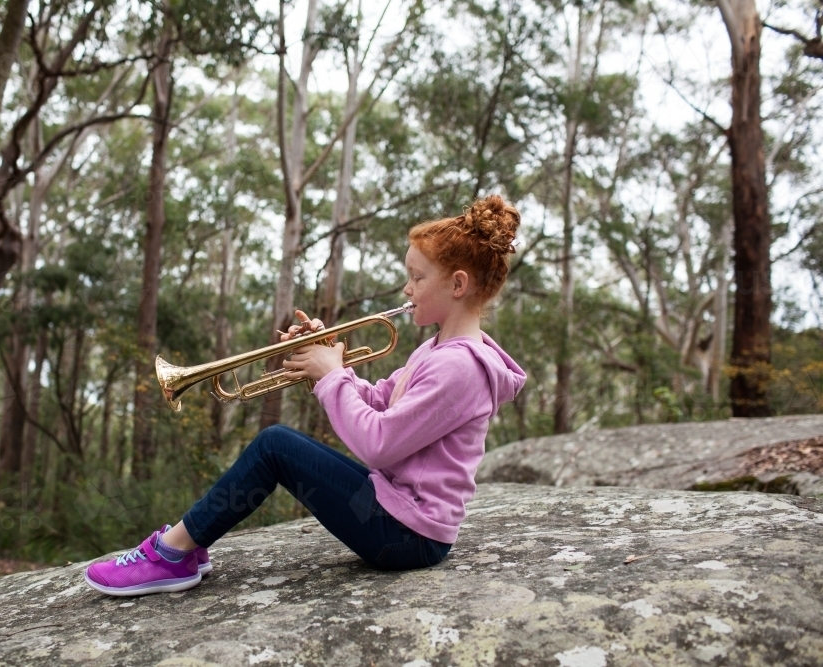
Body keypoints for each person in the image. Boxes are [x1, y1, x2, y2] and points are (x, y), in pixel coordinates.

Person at [84, 195, 527, 596]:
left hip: (408, 535)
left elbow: (379, 443)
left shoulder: (461, 367)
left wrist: (331, 375)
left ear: (458, 285)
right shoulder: (437, 350)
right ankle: (187, 546)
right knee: (276, 444)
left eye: (416, 277)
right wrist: (322, 359)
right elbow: (380, 402)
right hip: (398, 515)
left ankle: (170, 554)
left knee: (275, 445)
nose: (406, 290)